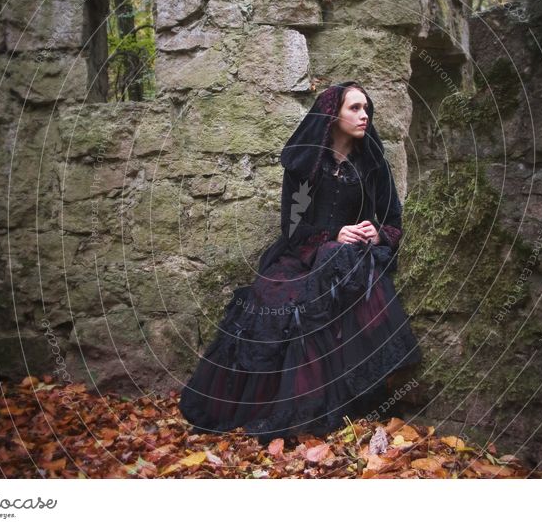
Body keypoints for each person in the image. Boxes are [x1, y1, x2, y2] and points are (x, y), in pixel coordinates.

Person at [178, 81, 422, 444]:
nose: (364, 114)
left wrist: (377, 234)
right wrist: (335, 233)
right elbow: (293, 229)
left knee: (337, 264)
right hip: (302, 254)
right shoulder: (306, 165)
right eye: (354, 108)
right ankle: (281, 406)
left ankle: (342, 400)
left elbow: (393, 221)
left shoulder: (372, 165)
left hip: (348, 257)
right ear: (332, 114)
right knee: (276, 299)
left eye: (366, 108)